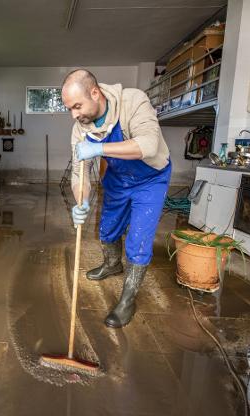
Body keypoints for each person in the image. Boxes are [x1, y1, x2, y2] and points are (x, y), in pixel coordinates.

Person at [62, 69, 171, 328]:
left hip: (150, 179)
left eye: (77, 106)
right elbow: (80, 173)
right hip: (118, 181)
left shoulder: (132, 101)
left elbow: (148, 145)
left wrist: (99, 148)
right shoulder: (80, 130)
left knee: (138, 240)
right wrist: (82, 200)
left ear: (95, 93)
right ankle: (112, 265)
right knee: (108, 229)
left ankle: (127, 300)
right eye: (69, 109)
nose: (74, 115)